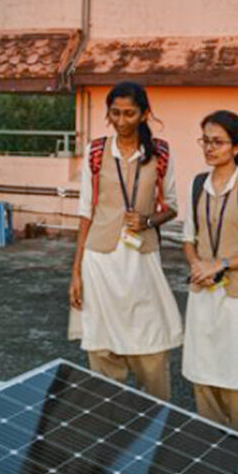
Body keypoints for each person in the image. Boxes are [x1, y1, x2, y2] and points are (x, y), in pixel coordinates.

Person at [67, 81, 182, 401]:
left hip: (141, 259)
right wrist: (75, 271)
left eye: (129, 113)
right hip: (99, 260)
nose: (121, 120)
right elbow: (85, 212)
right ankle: (109, 420)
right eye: (115, 113)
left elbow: (171, 206)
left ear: (144, 114)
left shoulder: (159, 153)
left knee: (151, 344)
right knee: (102, 348)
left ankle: (157, 418)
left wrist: (147, 221)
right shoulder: (96, 151)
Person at [181, 110, 238, 437]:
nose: (209, 148)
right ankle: (210, 451)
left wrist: (219, 264)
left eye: (218, 142)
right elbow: (188, 239)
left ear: (237, 147)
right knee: (203, 376)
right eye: (205, 141)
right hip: (202, 292)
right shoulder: (197, 185)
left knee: (237, 376)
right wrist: (197, 264)